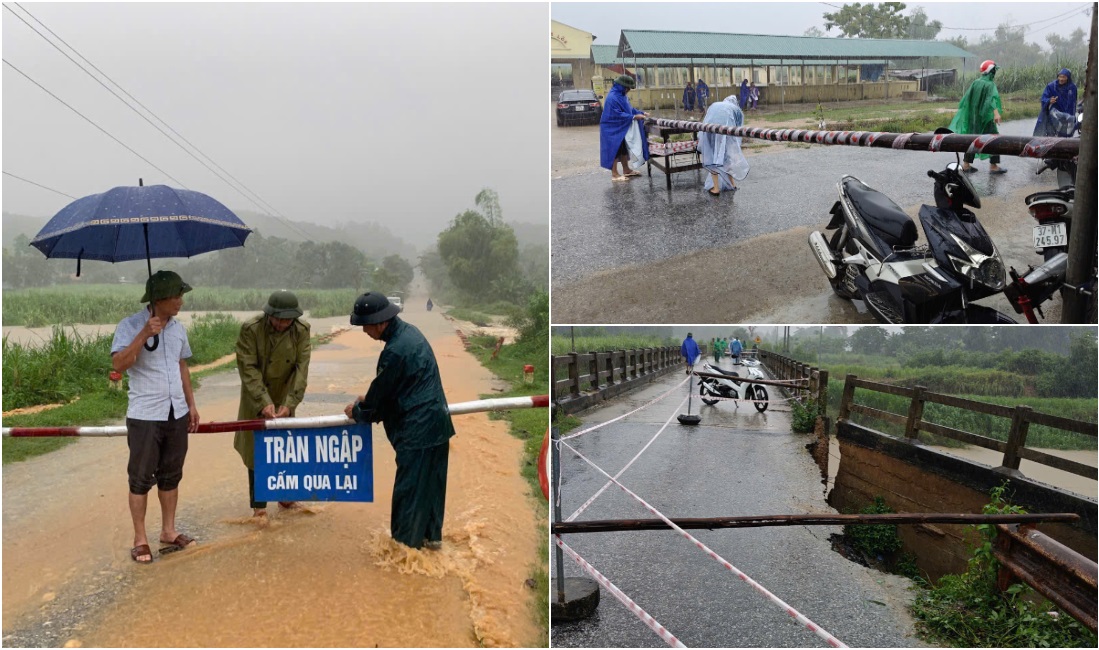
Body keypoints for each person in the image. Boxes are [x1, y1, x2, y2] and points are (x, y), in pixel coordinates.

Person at [344, 293, 456, 550]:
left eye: (365, 325)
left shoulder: (394, 351)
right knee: (431, 493)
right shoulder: (411, 334)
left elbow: (379, 400)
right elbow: (396, 388)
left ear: (380, 322)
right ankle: (431, 544)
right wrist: (371, 398)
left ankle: (403, 558)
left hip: (416, 434)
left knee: (408, 498)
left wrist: (358, 410)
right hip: (438, 426)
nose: (364, 331)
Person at [110, 270, 200, 564]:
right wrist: (144, 334)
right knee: (140, 478)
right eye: (177, 296)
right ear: (159, 298)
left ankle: (169, 531)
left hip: (176, 412)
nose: (181, 302)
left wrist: (192, 405)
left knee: (171, 474)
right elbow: (119, 364)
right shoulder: (130, 325)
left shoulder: (178, 329)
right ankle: (140, 539)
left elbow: (181, 367)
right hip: (145, 414)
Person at [234, 290, 311, 521]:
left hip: (285, 395)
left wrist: (290, 403)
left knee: (285, 449)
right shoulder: (251, 329)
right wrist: (263, 401)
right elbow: (248, 368)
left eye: (288, 319)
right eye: (278, 318)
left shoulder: (301, 331)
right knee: (256, 452)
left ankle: (286, 497)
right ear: (269, 314)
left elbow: (301, 369)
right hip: (255, 396)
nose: (282, 323)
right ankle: (259, 506)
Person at [949, 60, 1006, 174]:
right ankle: (994, 166)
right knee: (993, 139)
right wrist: (995, 113)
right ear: (991, 71)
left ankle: (966, 165)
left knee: (973, 139)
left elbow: (966, 100)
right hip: (985, 118)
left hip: (973, 118)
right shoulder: (990, 84)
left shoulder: (976, 82)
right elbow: (992, 99)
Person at [599, 74, 650, 182]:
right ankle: (615, 174)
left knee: (623, 149)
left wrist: (640, 113)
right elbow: (617, 114)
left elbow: (629, 109)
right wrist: (634, 117)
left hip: (619, 127)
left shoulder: (621, 95)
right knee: (614, 150)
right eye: (628, 88)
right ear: (623, 86)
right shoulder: (613, 97)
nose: (628, 90)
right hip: (611, 127)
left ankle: (626, 170)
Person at [698, 95, 751, 197]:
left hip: (709, 131)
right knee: (727, 157)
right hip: (726, 133)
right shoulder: (736, 110)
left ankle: (716, 188)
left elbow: (706, 119)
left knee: (712, 158)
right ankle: (732, 184)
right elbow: (738, 129)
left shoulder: (715, 105)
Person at [1033, 68, 1078, 137]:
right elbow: (1044, 98)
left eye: (1064, 77)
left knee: (1066, 134)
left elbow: (1073, 103)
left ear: (1068, 78)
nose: (1061, 79)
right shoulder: (1051, 86)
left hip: (1068, 115)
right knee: (1052, 133)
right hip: (1054, 115)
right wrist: (1049, 101)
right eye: (1060, 76)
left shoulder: (1072, 87)